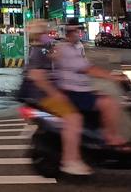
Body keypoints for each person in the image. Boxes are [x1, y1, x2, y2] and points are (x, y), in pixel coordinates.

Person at [20, 21, 90, 176]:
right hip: (42, 96)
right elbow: (36, 76)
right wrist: (55, 93)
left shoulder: (44, 48)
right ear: (38, 34)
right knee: (74, 118)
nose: (47, 33)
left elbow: (56, 59)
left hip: (47, 94)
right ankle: (70, 161)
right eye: (44, 31)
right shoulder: (37, 51)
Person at [55, 19, 126, 147]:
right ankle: (111, 137)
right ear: (71, 33)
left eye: (79, 31)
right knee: (110, 103)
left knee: (102, 95)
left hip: (78, 91)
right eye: (77, 31)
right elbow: (88, 69)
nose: (79, 33)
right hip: (75, 94)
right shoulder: (68, 50)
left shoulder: (72, 48)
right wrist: (113, 77)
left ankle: (99, 131)